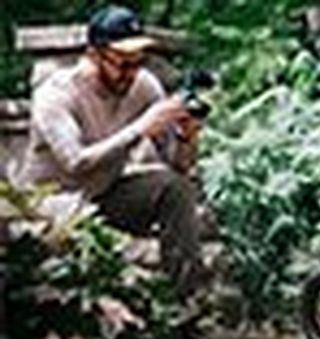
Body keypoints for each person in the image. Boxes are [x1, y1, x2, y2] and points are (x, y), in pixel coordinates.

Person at [13, 5, 208, 299]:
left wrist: (186, 137)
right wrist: (140, 128)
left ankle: (185, 304)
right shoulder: (55, 94)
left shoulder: (143, 85)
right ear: (94, 55)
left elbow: (179, 166)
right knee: (82, 225)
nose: (130, 73)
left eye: (138, 63)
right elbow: (75, 162)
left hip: (106, 195)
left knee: (176, 188)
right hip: (53, 202)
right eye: (122, 63)